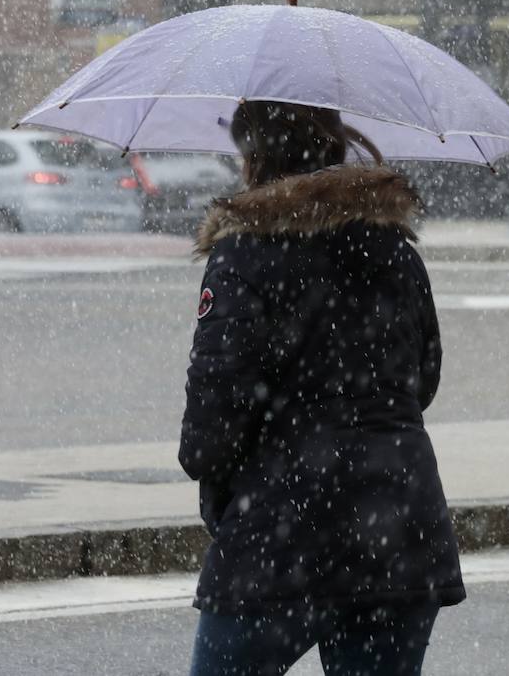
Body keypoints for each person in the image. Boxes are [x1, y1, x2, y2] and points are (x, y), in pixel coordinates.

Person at [180, 100, 464, 676]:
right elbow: (423, 379)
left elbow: (211, 428)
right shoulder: (393, 249)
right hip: (400, 526)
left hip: (281, 534)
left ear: (255, 159)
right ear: (333, 148)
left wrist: (218, 477)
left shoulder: (244, 255)